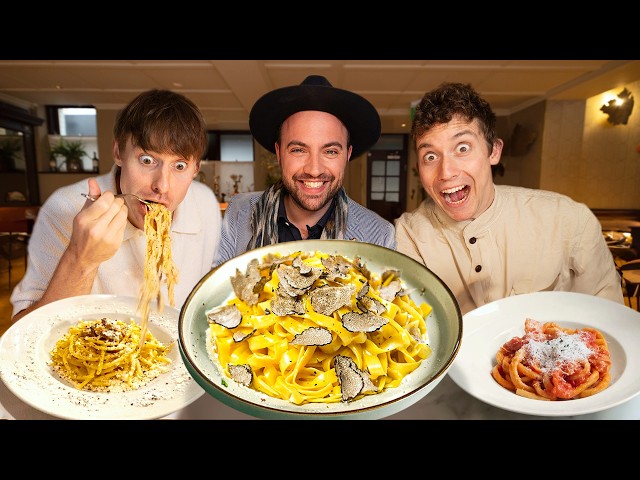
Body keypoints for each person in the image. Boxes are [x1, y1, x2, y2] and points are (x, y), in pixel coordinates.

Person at [395, 82, 623, 315]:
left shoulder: (569, 219)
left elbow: (607, 318)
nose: (446, 172)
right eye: (430, 156)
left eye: (462, 148)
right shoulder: (409, 235)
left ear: (493, 151)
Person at [11, 89, 221, 322]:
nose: (161, 186)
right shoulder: (65, 209)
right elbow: (22, 332)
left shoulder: (205, 205)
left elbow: (209, 294)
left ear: (196, 170)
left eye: (179, 166)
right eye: (147, 160)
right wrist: (81, 259)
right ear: (118, 152)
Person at [213, 75, 395, 266]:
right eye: (299, 150)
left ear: (347, 155)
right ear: (279, 153)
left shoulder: (380, 235)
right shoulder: (238, 212)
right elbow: (213, 291)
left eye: (330, 151)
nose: (314, 170)